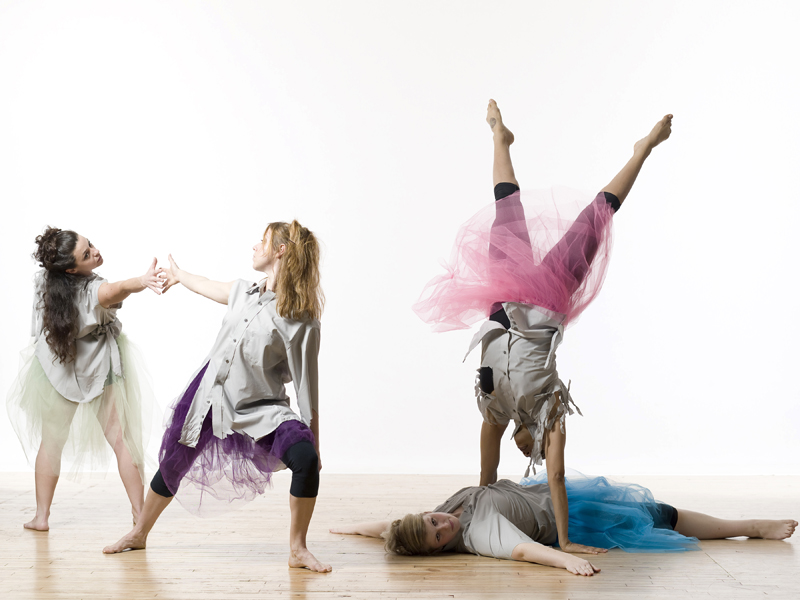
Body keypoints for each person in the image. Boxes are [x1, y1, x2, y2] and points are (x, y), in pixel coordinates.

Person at [413, 100, 673, 555]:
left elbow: (486, 482)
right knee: (597, 217)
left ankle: (499, 138)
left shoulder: (494, 411)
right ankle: (643, 150)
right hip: (549, 295)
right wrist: (565, 541)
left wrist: (481, 512)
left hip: (505, 291)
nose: (528, 452)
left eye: (525, 452)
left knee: (506, 208)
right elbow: (555, 475)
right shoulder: (551, 411)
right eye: (531, 452)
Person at [103, 220, 331, 573]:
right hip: (210, 399)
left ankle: (298, 549)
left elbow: (307, 386)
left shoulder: (300, 319)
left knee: (305, 459)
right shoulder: (244, 292)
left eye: (263, 241)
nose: (255, 246)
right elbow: (208, 285)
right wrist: (179, 275)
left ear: (280, 251)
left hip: (261, 408)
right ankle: (139, 533)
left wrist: (314, 439)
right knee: (174, 463)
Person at [330, 473, 798, 577]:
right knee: (662, 516)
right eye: (439, 537)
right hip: (572, 519)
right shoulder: (478, 534)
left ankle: (747, 525)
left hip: (559, 494)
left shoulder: (444, 508)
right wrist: (565, 562)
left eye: (434, 521)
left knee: (661, 509)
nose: (444, 525)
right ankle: (750, 526)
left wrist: (352, 528)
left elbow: (389, 526)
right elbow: (523, 550)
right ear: (441, 549)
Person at [7, 227, 163, 531]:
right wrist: (142, 281)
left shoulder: (46, 280)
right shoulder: (94, 291)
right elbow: (116, 289)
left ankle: (41, 517)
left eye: (89, 244)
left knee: (52, 441)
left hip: (58, 363)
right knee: (121, 439)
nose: (95, 251)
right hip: (95, 365)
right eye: (87, 253)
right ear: (71, 269)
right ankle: (139, 515)